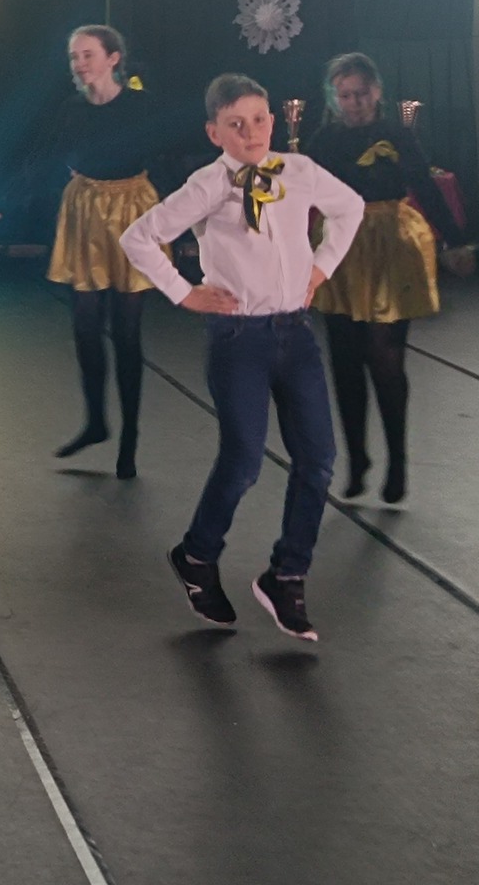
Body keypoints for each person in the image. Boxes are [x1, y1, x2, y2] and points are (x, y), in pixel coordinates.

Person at [121, 73, 363, 642]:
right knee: (245, 460)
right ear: (215, 133)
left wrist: (320, 269)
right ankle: (197, 555)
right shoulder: (209, 184)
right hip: (239, 339)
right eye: (235, 124)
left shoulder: (298, 171)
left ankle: (287, 574)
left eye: (258, 120)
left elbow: (350, 208)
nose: (250, 132)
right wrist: (184, 292)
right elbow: (138, 237)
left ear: (273, 122)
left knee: (318, 459)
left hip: (295, 333)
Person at [305, 53, 471, 505]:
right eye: (345, 96)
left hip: (390, 245)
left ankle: (397, 459)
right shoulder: (323, 139)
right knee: (344, 359)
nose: (354, 103)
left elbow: (425, 186)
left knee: (386, 357)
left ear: (376, 92)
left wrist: (455, 241)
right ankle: (358, 457)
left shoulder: (398, 134)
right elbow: (300, 192)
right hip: (342, 247)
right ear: (334, 98)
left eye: (361, 94)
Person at [44, 26, 186, 479]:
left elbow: (168, 158)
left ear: (113, 58)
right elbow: (50, 159)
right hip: (87, 209)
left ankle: (130, 436)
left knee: (126, 331)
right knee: (85, 325)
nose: (79, 64)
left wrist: (181, 217)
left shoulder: (142, 106)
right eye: (74, 57)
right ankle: (96, 421)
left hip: (131, 209)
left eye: (88, 55)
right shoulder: (71, 109)